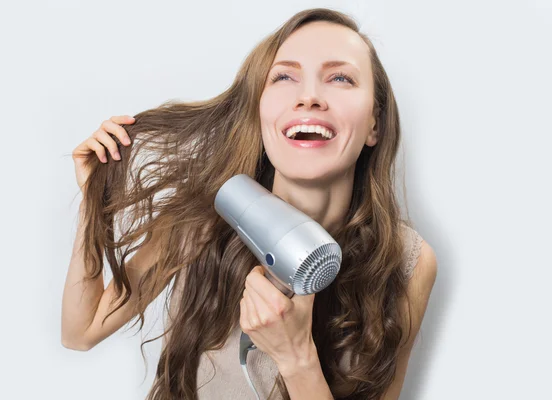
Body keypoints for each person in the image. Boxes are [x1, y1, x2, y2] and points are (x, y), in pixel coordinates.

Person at [62, 7, 437, 400]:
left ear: (375, 123)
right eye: (284, 76)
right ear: (259, 110)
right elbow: (80, 332)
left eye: (340, 77)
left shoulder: (406, 261)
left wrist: (297, 358)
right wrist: (92, 201)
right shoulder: (204, 217)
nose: (309, 97)